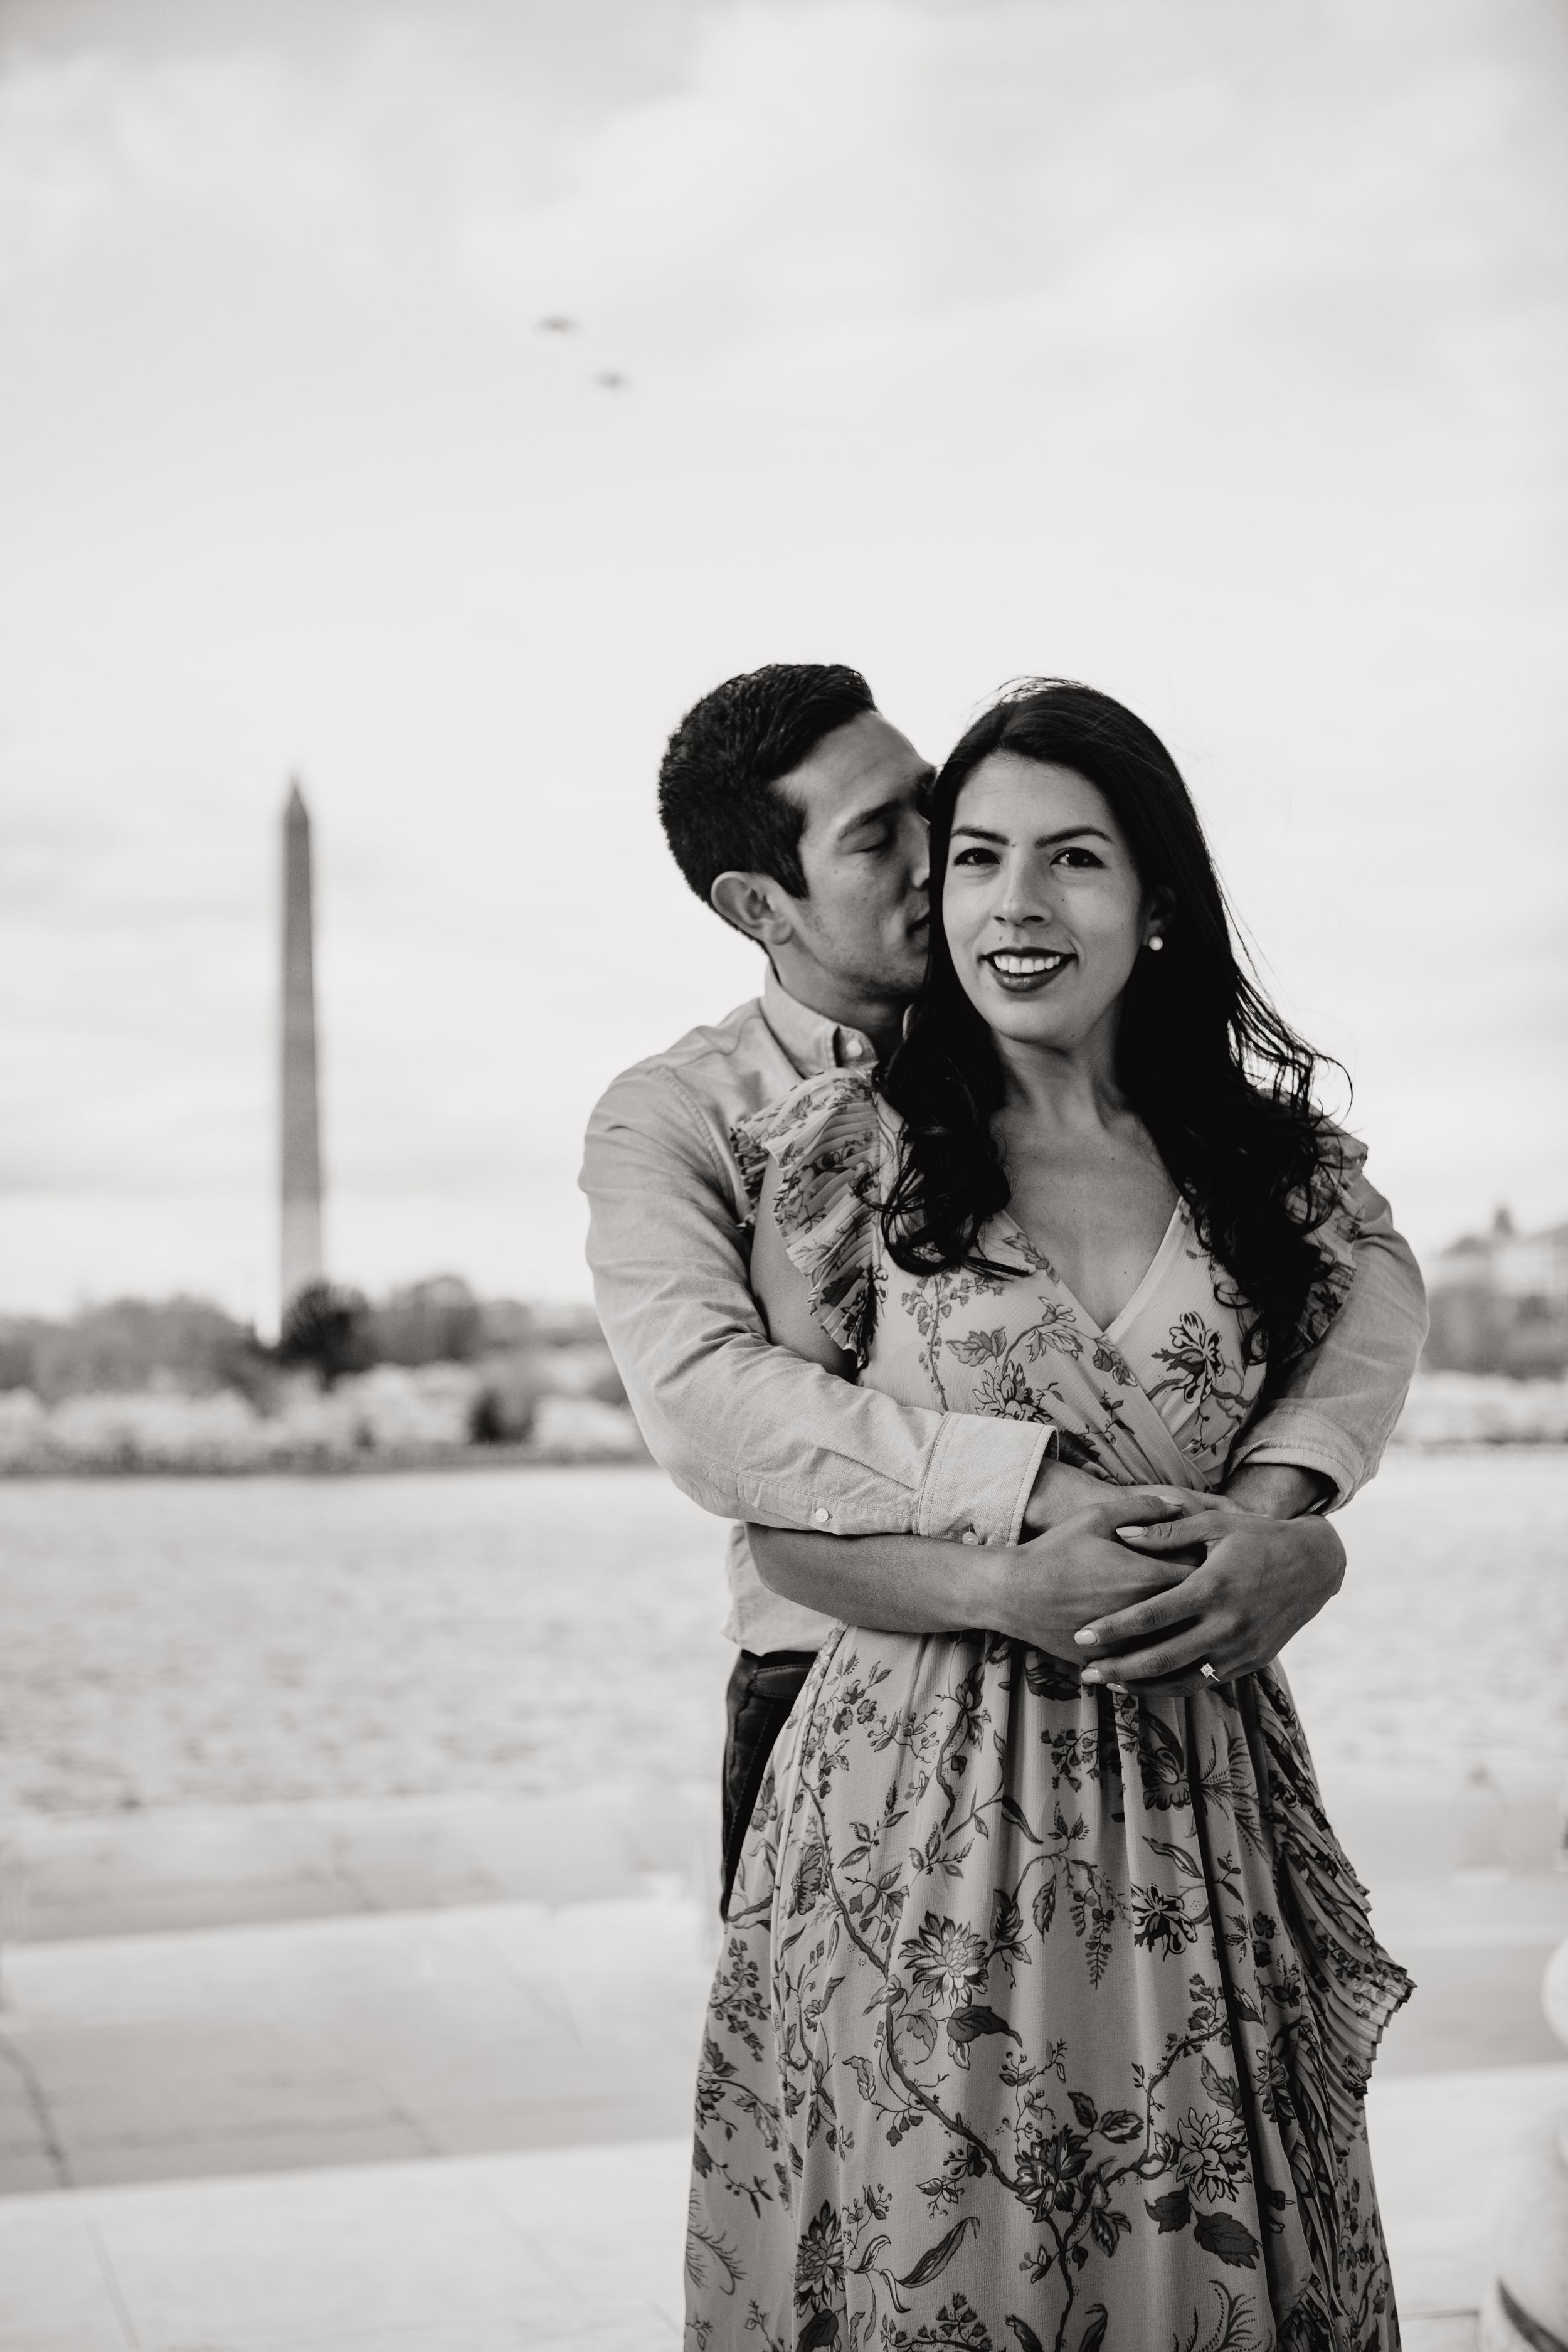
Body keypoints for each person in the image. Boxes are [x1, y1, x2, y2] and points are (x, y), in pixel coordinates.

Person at [684, 679, 1414, 2350]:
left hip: (1193, 1790)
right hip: (911, 1807)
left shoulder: (1278, 1173)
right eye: (977, 857)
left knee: (1216, 2250)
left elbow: (1357, 1362)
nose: (1014, 902)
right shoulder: (850, 1155)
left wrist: (1297, 1529)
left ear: (1155, 900)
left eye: (1071, 857)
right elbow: (786, 1530)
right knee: (945, 2260)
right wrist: (1003, 1589)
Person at [580, 665, 1427, 1919]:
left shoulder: (1081, 1033)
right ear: (760, 903)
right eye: (880, 836)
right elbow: (717, 1413)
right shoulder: (692, 1119)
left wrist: (1285, 1512)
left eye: (938, 811)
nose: (941, 860)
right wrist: (1027, 1521)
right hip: (847, 1687)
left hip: (1171, 1703)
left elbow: (1364, 1264)